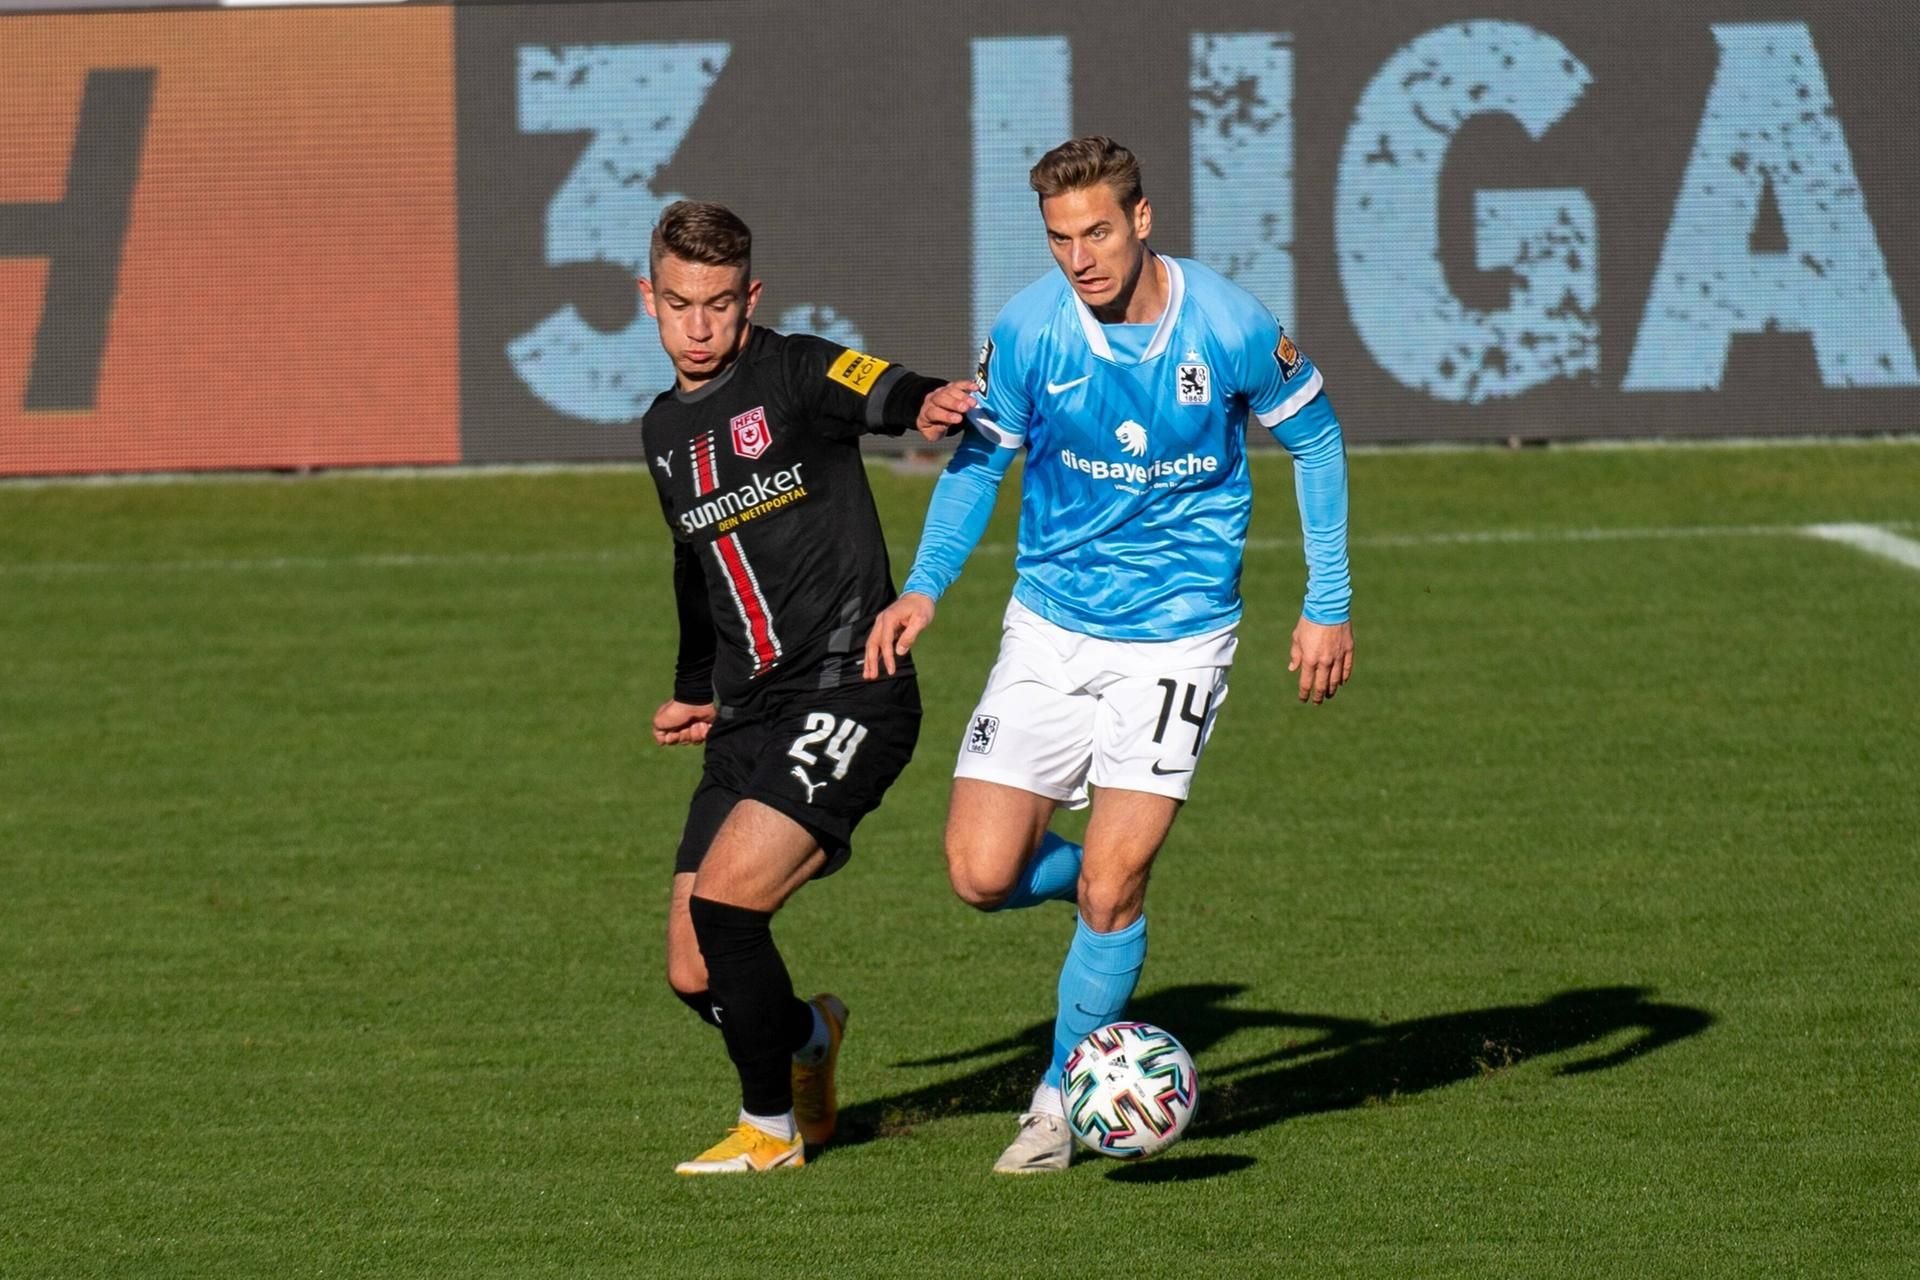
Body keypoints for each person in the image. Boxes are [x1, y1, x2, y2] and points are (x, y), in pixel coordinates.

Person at [864, 136, 1354, 1173]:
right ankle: (1106, 897)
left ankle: (1056, 1095)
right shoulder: (1031, 329)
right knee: (979, 872)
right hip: (1048, 623)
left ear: (1142, 219)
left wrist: (1327, 603)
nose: (1079, 257)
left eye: (1096, 231)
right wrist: (926, 583)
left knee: (1112, 884)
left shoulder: (1225, 323)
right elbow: (980, 458)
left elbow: (1314, 437)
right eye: (1058, 239)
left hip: (1176, 639)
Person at [641, 200, 973, 1174]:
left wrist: (927, 403)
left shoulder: (792, 370)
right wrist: (694, 686)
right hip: (744, 714)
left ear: (751, 298)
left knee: (729, 905)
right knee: (693, 966)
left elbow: (877, 387)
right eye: (676, 304)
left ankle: (770, 1131)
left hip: (851, 689)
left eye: (717, 304)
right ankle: (806, 1040)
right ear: (647, 300)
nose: (698, 327)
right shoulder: (663, 430)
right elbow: (692, 564)